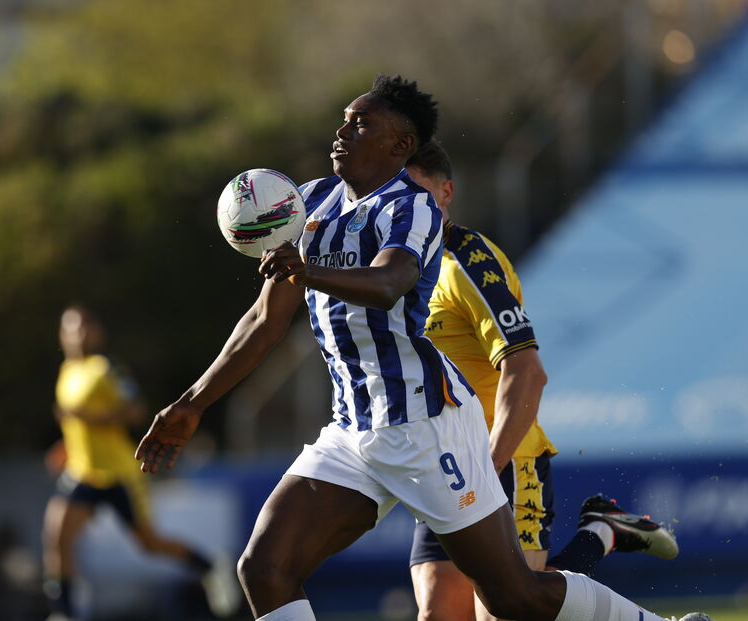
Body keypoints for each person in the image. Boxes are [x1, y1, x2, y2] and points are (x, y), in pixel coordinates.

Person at [136, 73, 709, 621]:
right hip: (353, 432)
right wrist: (192, 403)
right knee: (264, 569)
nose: (342, 133)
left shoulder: (412, 207)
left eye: (360, 125)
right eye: (343, 122)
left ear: (400, 144)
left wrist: (305, 271)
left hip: (428, 427)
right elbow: (264, 319)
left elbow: (389, 284)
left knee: (514, 600)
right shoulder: (309, 204)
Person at [405, 140, 680, 621]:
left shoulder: (468, 260)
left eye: (415, 191)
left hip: (505, 457)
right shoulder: (399, 270)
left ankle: (601, 535)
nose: (401, 204)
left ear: (446, 193)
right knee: (437, 615)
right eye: (393, 193)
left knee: (513, 611)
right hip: (443, 465)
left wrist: (488, 467)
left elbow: (528, 372)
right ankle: (604, 528)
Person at [43, 306, 240, 620]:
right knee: (57, 534)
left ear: (95, 333)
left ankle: (210, 567)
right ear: (61, 334)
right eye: (70, 328)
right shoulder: (67, 371)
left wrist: (92, 419)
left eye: (83, 327)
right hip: (82, 471)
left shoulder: (104, 369)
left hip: (118, 473)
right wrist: (66, 446)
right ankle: (63, 613)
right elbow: (77, 426)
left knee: (149, 543)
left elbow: (135, 411)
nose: (77, 334)